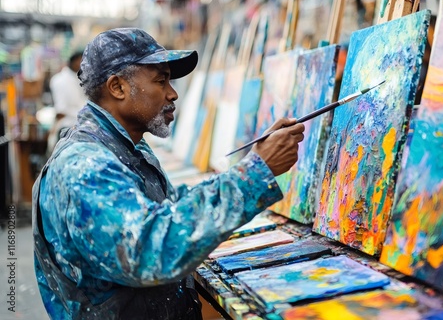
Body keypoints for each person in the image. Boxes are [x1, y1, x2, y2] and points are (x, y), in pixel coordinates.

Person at [32, 27, 305, 319]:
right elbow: (152, 250)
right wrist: (254, 174)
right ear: (118, 87)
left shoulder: (127, 147)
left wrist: (250, 164)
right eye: (160, 81)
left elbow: (169, 209)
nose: (172, 93)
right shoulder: (83, 166)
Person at [47, 51, 87, 152]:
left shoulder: (79, 78)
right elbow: (61, 111)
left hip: (80, 126)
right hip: (67, 128)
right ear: (75, 61)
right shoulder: (59, 80)